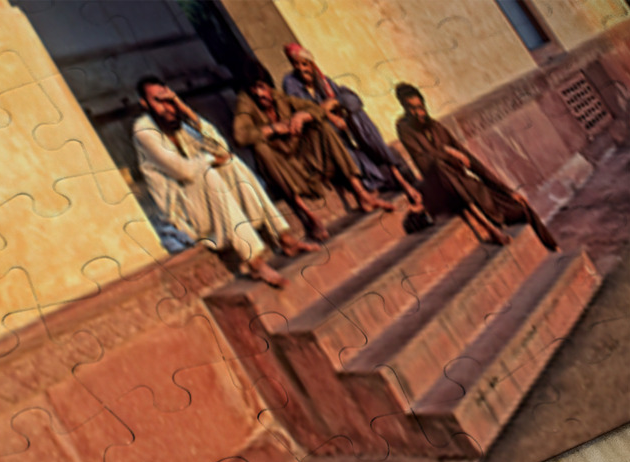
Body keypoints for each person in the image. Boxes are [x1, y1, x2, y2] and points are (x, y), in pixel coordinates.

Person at [132, 75, 318, 288]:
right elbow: (182, 170)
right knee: (207, 172)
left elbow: (221, 149)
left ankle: (284, 238)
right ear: (145, 104)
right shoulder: (143, 130)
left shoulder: (178, 123)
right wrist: (211, 160)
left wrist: (186, 110)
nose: (167, 107)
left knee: (232, 163)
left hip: (204, 200)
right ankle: (255, 262)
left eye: (169, 100)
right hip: (183, 211)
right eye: (159, 100)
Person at [233, 64, 395, 242]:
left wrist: (302, 116)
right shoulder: (245, 103)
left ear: (268, 86)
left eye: (261, 87)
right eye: (253, 89)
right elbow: (240, 136)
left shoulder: (279, 97)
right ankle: (310, 217)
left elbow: (316, 108)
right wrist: (273, 128)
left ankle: (362, 194)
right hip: (284, 166)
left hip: (305, 157)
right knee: (261, 149)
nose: (259, 94)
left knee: (321, 126)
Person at [394, 83, 557, 250]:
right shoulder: (404, 128)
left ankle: (553, 246)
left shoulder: (435, 127)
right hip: (443, 187)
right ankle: (490, 229)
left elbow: (470, 160)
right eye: (412, 109)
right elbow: (424, 162)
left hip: (470, 186)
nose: (418, 113)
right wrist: (448, 153)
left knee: (522, 207)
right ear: (405, 108)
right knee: (440, 169)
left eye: (420, 107)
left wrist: (507, 190)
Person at [281, 43, 423, 208]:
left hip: (345, 133)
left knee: (356, 112)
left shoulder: (323, 81)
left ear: (311, 64)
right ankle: (384, 186)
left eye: (304, 64)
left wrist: (334, 102)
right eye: (296, 64)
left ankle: (397, 175)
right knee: (349, 152)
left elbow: (352, 99)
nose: (301, 68)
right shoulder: (291, 83)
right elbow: (306, 111)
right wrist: (329, 115)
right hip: (325, 141)